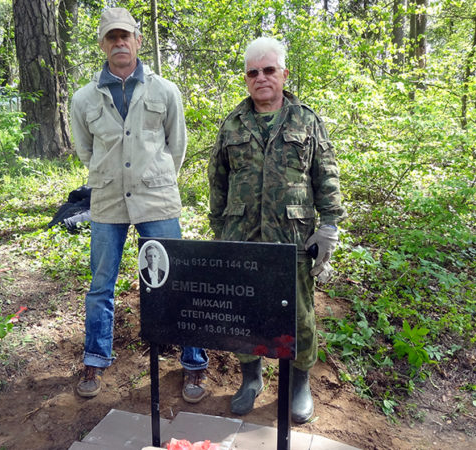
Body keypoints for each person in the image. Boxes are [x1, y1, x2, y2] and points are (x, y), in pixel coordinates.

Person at [70, 7, 209, 403]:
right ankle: (95, 358)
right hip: (109, 201)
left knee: (177, 279)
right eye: (111, 38)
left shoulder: (165, 91)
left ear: (137, 40)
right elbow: (86, 150)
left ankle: (194, 363)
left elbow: (175, 147)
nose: (118, 43)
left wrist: (152, 177)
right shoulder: (83, 99)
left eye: (124, 36)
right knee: (101, 285)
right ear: (102, 44)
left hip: (158, 199)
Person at [208, 37, 346, 423]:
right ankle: (251, 378)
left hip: (293, 239)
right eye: (253, 72)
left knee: (300, 315)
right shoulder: (232, 124)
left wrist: (330, 227)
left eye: (269, 70)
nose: (261, 78)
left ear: (284, 74)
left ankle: (298, 383)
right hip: (241, 236)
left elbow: (326, 175)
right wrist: (218, 232)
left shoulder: (306, 120)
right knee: (243, 310)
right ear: (246, 78)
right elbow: (217, 181)